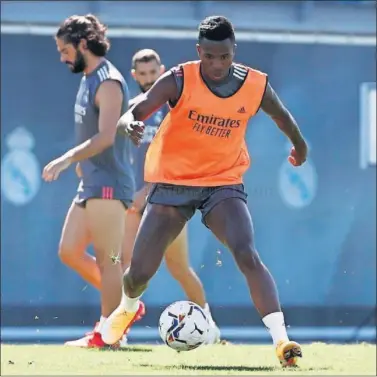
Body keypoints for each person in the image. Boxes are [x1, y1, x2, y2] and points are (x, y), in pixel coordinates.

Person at [103, 15, 307, 367]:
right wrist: (130, 124)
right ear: (199, 51)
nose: (216, 64)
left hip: (222, 182)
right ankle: (128, 307)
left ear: (233, 52)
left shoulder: (254, 84)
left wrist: (300, 147)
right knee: (138, 276)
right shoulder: (179, 78)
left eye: (224, 56)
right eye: (209, 56)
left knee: (246, 252)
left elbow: (283, 117)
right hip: (173, 183)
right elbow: (136, 110)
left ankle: (282, 341)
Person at [42, 14, 144, 348]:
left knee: (109, 259)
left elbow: (105, 138)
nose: (62, 57)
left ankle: (110, 335)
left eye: (65, 50)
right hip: (91, 183)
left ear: (83, 44)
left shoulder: (109, 81)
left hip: (110, 185)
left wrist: (67, 158)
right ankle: (123, 311)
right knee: (69, 251)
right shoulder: (88, 77)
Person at [123, 48, 220, 344]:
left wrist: (148, 190)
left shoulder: (175, 106)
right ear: (134, 75)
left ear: (162, 70)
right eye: (143, 74)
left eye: (154, 73)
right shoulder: (130, 109)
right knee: (126, 266)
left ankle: (210, 328)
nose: (150, 79)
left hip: (167, 200)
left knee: (178, 267)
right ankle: (118, 331)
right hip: (133, 203)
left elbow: (182, 157)